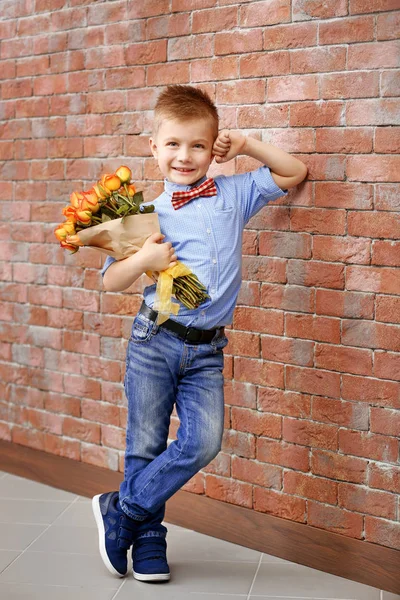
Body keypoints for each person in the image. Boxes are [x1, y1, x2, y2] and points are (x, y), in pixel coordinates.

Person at [92, 85, 307, 583]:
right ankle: (147, 539)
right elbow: (110, 279)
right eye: (173, 144)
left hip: (208, 349)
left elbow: (294, 172)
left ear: (214, 150)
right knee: (145, 444)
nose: (184, 156)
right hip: (154, 341)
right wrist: (143, 260)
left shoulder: (233, 193)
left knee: (204, 441)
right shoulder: (142, 214)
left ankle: (120, 509)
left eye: (197, 145)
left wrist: (249, 146)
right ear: (153, 147)